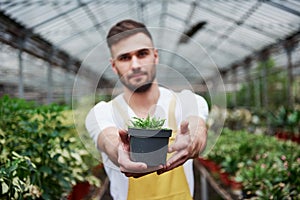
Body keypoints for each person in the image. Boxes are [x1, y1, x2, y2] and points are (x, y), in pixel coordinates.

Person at [85, 19, 209, 200]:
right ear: (114, 65)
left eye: (142, 54)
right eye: (125, 57)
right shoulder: (102, 112)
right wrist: (121, 151)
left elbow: (197, 126)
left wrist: (194, 141)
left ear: (155, 56)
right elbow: (108, 139)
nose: (135, 65)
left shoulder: (187, 101)